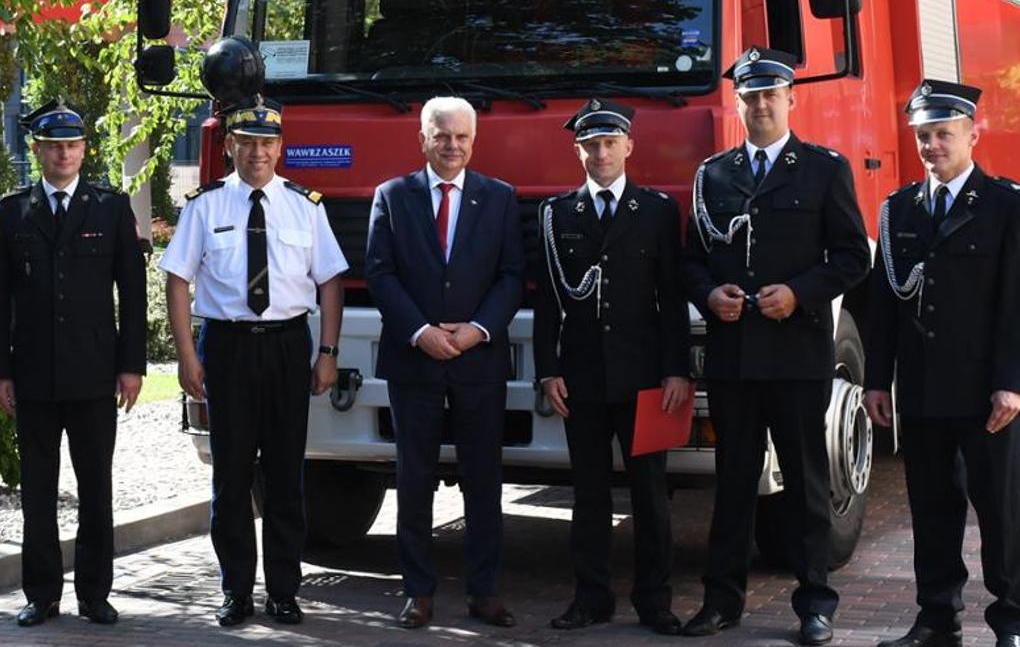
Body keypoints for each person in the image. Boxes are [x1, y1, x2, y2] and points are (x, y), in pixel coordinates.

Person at [680, 47, 870, 645]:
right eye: (749, 95)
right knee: (733, 484)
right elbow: (690, 261)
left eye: (770, 94)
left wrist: (800, 293)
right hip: (735, 356)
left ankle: (815, 604)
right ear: (736, 103)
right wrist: (710, 294)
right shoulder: (712, 175)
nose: (760, 104)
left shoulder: (823, 169)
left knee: (808, 484)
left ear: (791, 99)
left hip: (796, 355)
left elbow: (852, 257)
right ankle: (721, 603)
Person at [856, 80, 1020, 647]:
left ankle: (1012, 622)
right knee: (933, 513)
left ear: (971, 134)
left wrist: (1012, 384)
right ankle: (937, 617)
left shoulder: (1010, 203)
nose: (932, 145)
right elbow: (883, 303)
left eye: (943, 133)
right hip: (924, 388)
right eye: (923, 136)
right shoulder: (899, 208)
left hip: (988, 393)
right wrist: (875, 380)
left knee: (1002, 511)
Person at [161, 96, 348, 628]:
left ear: (280, 147)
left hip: (288, 347)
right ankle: (236, 591)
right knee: (231, 477)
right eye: (247, 143)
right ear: (231, 147)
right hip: (228, 347)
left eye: (267, 143)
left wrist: (328, 353)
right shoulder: (205, 205)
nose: (258, 152)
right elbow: (177, 280)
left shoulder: (305, 206)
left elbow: (330, 281)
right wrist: (186, 354)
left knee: (287, 475)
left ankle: (284, 592)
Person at [363, 96, 525, 630]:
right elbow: (380, 274)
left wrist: (479, 329)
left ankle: (484, 593)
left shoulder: (500, 198)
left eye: (461, 137)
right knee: (414, 478)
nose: (451, 146)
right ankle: (418, 593)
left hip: (479, 360)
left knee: (485, 480)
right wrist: (420, 331)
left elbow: (510, 276)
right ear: (423, 139)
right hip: (416, 360)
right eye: (441, 136)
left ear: (473, 142)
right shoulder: (392, 196)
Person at [0, 100, 147, 628]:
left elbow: (133, 295)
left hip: (96, 373)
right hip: (32, 375)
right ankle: (42, 593)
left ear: (84, 150)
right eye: (53, 146)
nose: (63, 154)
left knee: (96, 487)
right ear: (37, 151)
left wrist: (132, 366)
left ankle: (95, 593)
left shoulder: (110, 207)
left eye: (72, 145)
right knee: (38, 490)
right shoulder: (13, 211)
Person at [532, 99, 693, 634]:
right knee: (590, 494)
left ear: (629, 147)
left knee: (651, 495)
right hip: (582, 380)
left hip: (646, 378)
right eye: (590, 145)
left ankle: (655, 602)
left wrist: (677, 370)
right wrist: (547, 371)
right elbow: (549, 303)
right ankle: (591, 598)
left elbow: (671, 298)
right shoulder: (556, 214)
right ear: (577, 150)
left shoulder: (657, 210)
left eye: (609, 143)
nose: (600, 153)